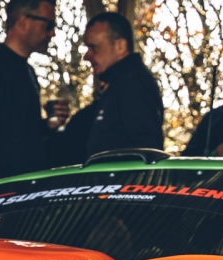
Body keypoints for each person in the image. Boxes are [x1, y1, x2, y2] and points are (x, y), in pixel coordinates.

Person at [0, 0, 70, 191]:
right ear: (23, 22)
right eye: (48, 25)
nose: (52, 33)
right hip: (4, 197)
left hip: (30, 191)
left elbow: (17, 135)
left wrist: (47, 126)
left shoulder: (28, 71)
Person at [56, 12, 163, 164]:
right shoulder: (118, 85)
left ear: (120, 46)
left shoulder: (133, 84)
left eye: (94, 48)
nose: (87, 56)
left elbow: (145, 150)